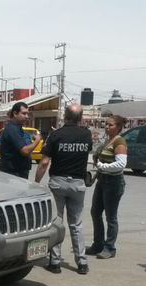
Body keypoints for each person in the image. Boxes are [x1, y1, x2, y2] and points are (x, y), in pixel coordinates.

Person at [35, 104, 92, 274]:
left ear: (65, 117)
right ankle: (82, 263)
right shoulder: (86, 135)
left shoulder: (55, 135)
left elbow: (44, 162)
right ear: (80, 118)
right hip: (78, 184)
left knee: (57, 222)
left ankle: (55, 262)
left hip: (58, 183)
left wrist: (36, 183)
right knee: (76, 224)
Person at [86, 115, 128, 259]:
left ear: (118, 127)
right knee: (95, 212)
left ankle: (110, 248)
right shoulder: (108, 141)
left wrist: (101, 166)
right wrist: (94, 177)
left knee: (111, 217)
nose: (107, 127)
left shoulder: (119, 142)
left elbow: (121, 164)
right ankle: (98, 244)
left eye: (111, 125)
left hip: (113, 183)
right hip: (102, 181)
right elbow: (102, 162)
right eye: (106, 124)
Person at [0, 101, 41, 179]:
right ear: (15, 114)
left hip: (20, 172)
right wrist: (37, 141)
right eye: (24, 113)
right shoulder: (12, 129)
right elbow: (25, 151)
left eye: (27, 114)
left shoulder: (19, 129)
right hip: (13, 175)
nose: (27, 117)